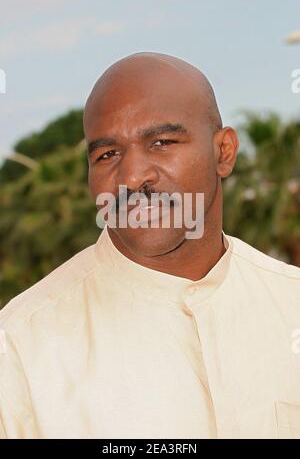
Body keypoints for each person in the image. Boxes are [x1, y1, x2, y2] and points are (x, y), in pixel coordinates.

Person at [0, 53, 299, 439]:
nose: (133, 176)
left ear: (223, 152)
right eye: (107, 154)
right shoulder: (18, 351)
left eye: (161, 142)